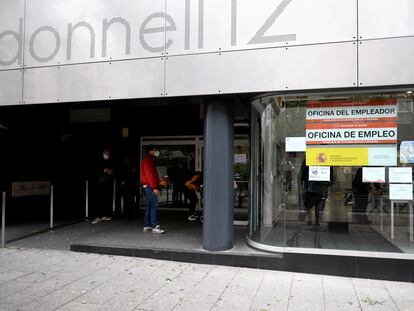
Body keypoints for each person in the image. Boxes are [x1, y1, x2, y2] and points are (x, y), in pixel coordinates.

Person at [298, 160, 333, 226]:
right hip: (320, 186)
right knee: (318, 203)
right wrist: (329, 183)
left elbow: (303, 172)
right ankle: (317, 220)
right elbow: (330, 173)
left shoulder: (308, 158)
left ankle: (311, 220)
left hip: (310, 185)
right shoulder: (327, 159)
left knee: (310, 203)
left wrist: (302, 181)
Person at [140, 145, 165, 234]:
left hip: (148, 186)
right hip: (149, 186)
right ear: (150, 151)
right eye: (155, 150)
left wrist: (158, 182)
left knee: (150, 206)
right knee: (154, 205)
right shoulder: (147, 160)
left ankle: (147, 225)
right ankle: (155, 226)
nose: (156, 151)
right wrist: (154, 187)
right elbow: (149, 175)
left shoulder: (150, 160)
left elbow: (153, 174)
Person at [90, 146, 115, 224]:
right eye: (106, 153)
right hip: (98, 183)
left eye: (108, 154)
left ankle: (104, 215)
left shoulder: (110, 161)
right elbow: (94, 171)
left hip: (107, 182)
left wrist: (111, 172)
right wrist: (103, 170)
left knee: (105, 199)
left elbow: (113, 171)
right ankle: (97, 216)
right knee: (98, 200)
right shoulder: (97, 161)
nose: (107, 155)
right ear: (103, 153)